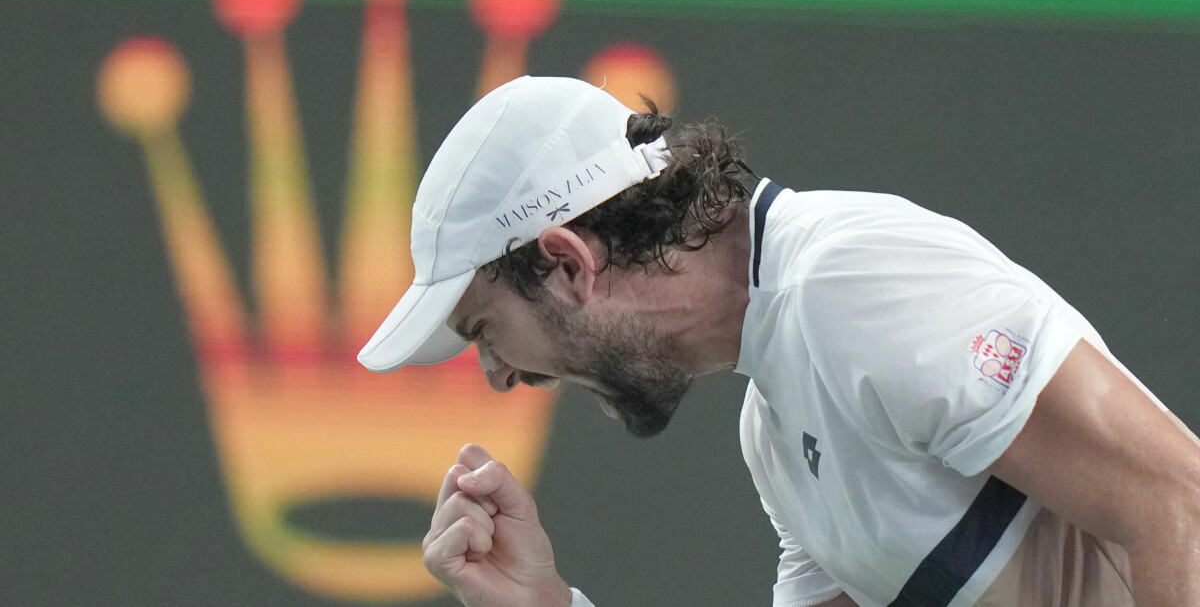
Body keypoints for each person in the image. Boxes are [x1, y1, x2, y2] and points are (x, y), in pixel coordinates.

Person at [357, 76, 1200, 607]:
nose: (499, 374)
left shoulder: (852, 285)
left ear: (569, 264)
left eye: (484, 331)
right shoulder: (774, 433)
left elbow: (1177, 499)